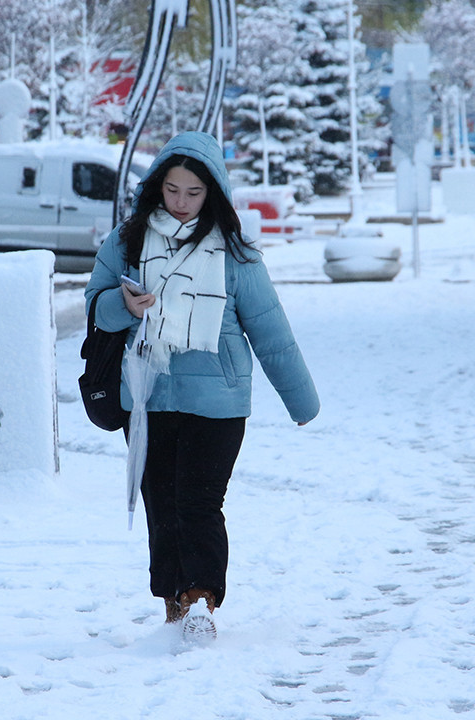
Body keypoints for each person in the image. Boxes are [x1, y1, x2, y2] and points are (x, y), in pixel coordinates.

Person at [84, 131, 320, 639]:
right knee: (159, 499)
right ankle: (172, 599)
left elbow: (271, 331)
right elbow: (93, 306)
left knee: (198, 500)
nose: (183, 203)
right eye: (173, 190)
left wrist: (300, 400)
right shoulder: (125, 243)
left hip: (217, 401)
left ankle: (201, 599)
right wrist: (121, 306)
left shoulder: (236, 255)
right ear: (156, 186)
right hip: (148, 394)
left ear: (213, 192)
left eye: (194, 193)